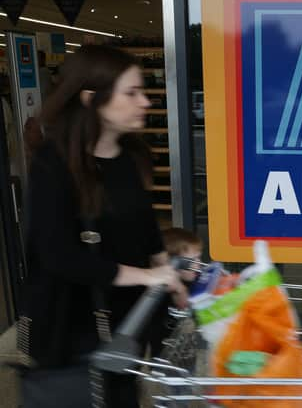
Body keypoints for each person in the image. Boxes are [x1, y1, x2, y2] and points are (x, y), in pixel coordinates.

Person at [19, 45, 187, 407]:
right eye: (132, 93)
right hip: (73, 328)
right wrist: (144, 276)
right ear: (91, 99)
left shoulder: (129, 158)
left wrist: (166, 272)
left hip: (125, 325)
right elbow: (57, 254)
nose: (145, 102)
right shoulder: (54, 165)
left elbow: (145, 229)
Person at [147, 227, 204, 357]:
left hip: (187, 349)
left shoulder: (193, 280)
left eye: (199, 258)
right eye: (192, 261)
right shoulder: (160, 291)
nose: (198, 264)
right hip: (164, 354)